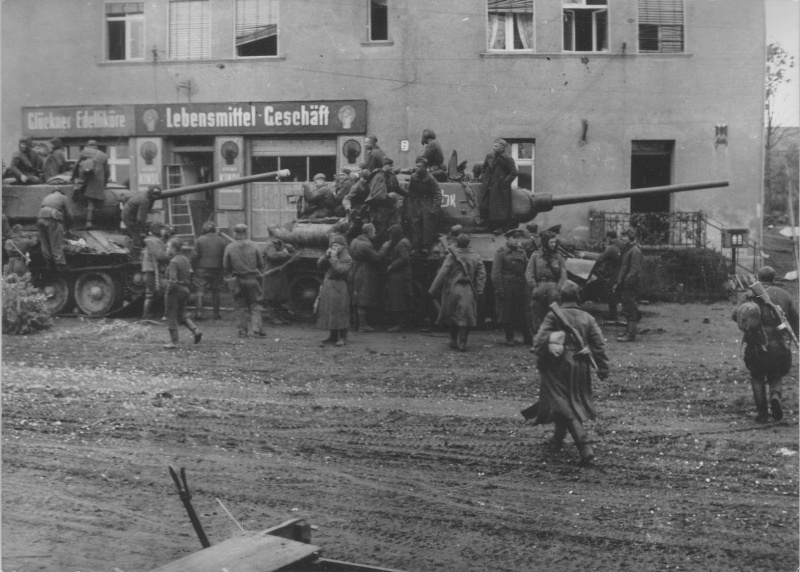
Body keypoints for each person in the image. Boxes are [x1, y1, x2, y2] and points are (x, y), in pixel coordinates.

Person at [526, 280, 610, 464]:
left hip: (558, 365)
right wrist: (603, 368)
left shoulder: (553, 315)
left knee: (564, 403)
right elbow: (599, 345)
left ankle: (584, 446)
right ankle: (558, 438)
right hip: (581, 365)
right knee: (565, 401)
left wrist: (545, 354)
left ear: (560, 297)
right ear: (578, 297)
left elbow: (539, 341)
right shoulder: (588, 318)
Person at [732, 266, 799, 422]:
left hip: (755, 343)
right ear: (773, 279)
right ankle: (775, 396)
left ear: (758, 277)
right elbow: (795, 319)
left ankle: (762, 414)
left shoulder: (749, 294)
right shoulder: (784, 294)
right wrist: (793, 338)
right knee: (775, 375)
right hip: (779, 343)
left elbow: (735, 314)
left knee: (757, 376)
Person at [429, 233, 486, 351]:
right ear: (468, 244)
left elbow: (442, 273)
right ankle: (463, 343)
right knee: (465, 317)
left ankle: (453, 341)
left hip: (452, 289)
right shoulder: (476, 257)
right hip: (469, 290)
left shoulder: (451, 256)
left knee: (452, 315)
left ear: (457, 243)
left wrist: (433, 289)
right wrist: (479, 290)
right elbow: (481, 275)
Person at [223, 224, 267, 338]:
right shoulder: (254, 245)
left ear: (235, 233)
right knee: (255, 304)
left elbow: (226, 266)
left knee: (240, 305)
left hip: (237, 280)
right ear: (245, 233)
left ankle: (242, 331)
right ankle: (257, 327)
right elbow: (261, 263)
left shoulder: (230, 247)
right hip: (252, 279)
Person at [493, 228, 533, 346]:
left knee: (522, 312)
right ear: (507, 239)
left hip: (520, 284)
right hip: (507, 286)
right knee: (507, 312)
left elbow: (528, 267)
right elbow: (496, 272)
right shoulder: (501, 252)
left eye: (518, 238)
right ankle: (509, 337)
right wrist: (499, 288)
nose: (516, 240)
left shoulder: (521, 252)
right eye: (514, 238)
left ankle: (527, 337)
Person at [525, 230, 567, 341]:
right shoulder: (535, 256)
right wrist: (534, 287)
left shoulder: (558, 257)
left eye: (554, 242)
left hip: (554, 289)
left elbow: (563, 275)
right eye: (551, 242)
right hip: (539, 287)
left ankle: (555, 341)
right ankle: (539, 341)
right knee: (537, 316)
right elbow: (529, 273)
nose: (553, 244)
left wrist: (558, 288)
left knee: (556, 316)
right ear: (545, 243)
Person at [163, 238, 202, 349]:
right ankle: (195, 330)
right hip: (185, 290)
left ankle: (174, 341)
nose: (167, 249)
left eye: (168, 247)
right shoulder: (185, 259)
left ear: (174, 249)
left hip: (175, 291)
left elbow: (173, 281)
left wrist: (168, 292)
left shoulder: (173, 262)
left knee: (170, 315)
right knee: (181, 314)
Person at [317, 234, 353, 346]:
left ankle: (343, 337)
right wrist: (325, 256)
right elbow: (319, 265)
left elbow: (340, 270)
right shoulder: (332, 254)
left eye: (336, 245)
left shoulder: (347, 258)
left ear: (343, 246)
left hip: (339, 286)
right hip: (329, 286)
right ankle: (333, 336)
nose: (334, 247)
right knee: (330, 310)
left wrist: (333, 258)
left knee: (340, 311)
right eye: (332, 245)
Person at [349, 223, 384, 332]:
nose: (375, 234)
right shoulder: (366, 245)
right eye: (374, 231)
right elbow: (377, 257)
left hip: (354, 269)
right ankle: (362, 325)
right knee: (362, 298)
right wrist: (385, 248)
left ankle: (356, 323)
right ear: (368, 232)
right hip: (364, 271)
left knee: (356, 296)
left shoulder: (354, 241)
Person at [406, 156, 442, 256]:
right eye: (416, 166)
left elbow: (437, 193)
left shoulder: (430, 178)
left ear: (425, 168)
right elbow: (410, 191)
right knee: (415, 225)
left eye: (419, 166)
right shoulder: (413, 177)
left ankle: (426, 247)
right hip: (417, 203)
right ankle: (416, 247)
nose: (416, 168)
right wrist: (411, 204)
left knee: (427, 225)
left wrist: (434, 209)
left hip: (427, 203)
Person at [191, 220, 227, 321]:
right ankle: (216, 314)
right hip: (217, 269)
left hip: (202, 269)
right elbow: (224, 256)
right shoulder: (222, 240)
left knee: (200, 291)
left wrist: (194, 267)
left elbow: (194, 256)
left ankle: (199, 313)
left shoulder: (199, 240)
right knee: (216, 291)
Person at [381, 224, 414, 332]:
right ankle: (401, 323)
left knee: (399, 299)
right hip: (401, 274)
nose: (390, 238)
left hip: (400, 274)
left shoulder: (401, 244)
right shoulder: (403, 241)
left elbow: (405, 259)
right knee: (400, 298)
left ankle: (400, 324)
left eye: (391, 235)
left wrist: (392, 265)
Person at [260, 228, 297, 325]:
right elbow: (272, 255)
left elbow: (288, 249)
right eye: (277, 229)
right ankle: (273, 318)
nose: (280, 231)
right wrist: (284, 253)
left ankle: (279, 317)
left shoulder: (279, 241)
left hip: (278, 272)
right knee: (271, 298)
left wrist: (289, 248)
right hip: (271, 273)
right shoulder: (270, 244)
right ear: (272, 233)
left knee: (278, 297)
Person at [480, 139, 517, 232]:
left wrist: (505, 182)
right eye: (494, 146)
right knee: (486, 205)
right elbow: (484, 168)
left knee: (499, 208)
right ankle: (488, 225)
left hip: (500, 188)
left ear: (502, 148)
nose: (494, 148)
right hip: (489, 186)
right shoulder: (489, 156)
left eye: (496, 146)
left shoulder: (507, 158)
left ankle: (500, 227)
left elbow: (513, 172)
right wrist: (484, 177)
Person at [71, 141, 109, 229]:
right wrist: (105, 182)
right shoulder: (103, 155)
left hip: (85, 177)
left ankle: (87, 222)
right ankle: (92, 221)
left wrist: (73, 176)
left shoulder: (85, 152)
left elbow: (76, 165)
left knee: (81, 196)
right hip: (97, 179)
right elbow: (107, 171)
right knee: (92, 199)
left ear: (88, 146)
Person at [614, 228, 643, 342]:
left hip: (630, 284)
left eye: (625, 236)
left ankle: (631, 334)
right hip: (627, 283)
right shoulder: (629, 249)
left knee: (630, 308)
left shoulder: (635, 251)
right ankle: (629, 331)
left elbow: (635, 270)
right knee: (627, 307)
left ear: (632, 237)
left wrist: (626, 282)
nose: (622, 238)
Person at [594, 230, 624, 323]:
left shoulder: (611, 248)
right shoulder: (621, 244)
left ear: (609, 237)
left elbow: (600, 258)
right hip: (620, 271)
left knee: (610, 294)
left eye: (607, 238)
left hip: (613, 273)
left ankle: (612, 315)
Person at [141, 222, 170, 320]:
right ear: (157, 230)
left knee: (150, 294)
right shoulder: (153, 241)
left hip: (150, 270)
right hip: (153, 271)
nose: (163, 231)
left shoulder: (152, 240)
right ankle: (165, 315)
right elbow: (161, 256)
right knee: (165, 291)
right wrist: (169, 252)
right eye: (162, 229)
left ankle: (146, 316)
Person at [37, 187, 71, 268]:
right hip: (52, 220)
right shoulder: (63, 197)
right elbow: (69, 215)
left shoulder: (46, 197)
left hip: (40, 219)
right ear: (61, 192)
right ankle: (60, 267)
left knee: (45, 245)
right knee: (57, 245)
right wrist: (68, 228)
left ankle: (47, 266)